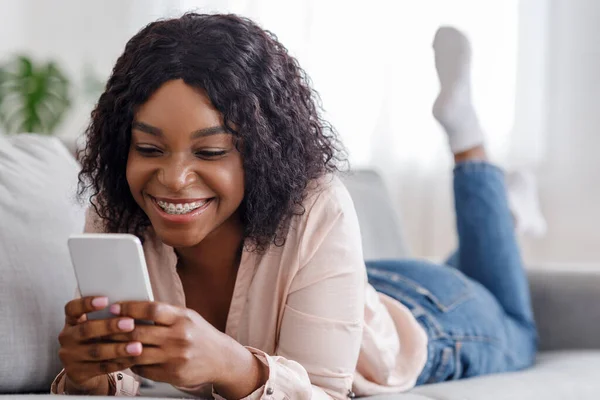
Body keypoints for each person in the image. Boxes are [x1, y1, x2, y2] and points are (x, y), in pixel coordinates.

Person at [52, 14, 537, 399]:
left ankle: (468, 142)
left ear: (260, 152)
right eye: (150, 149)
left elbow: (325, 390)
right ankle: (508, 214)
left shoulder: (319, 205)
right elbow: (117, 378)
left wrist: (231, 363)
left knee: (517, 326)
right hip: (344, 289)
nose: (173, 179)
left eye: (212, 151)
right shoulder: (120, 207)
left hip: (425, 315)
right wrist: (89, 374)